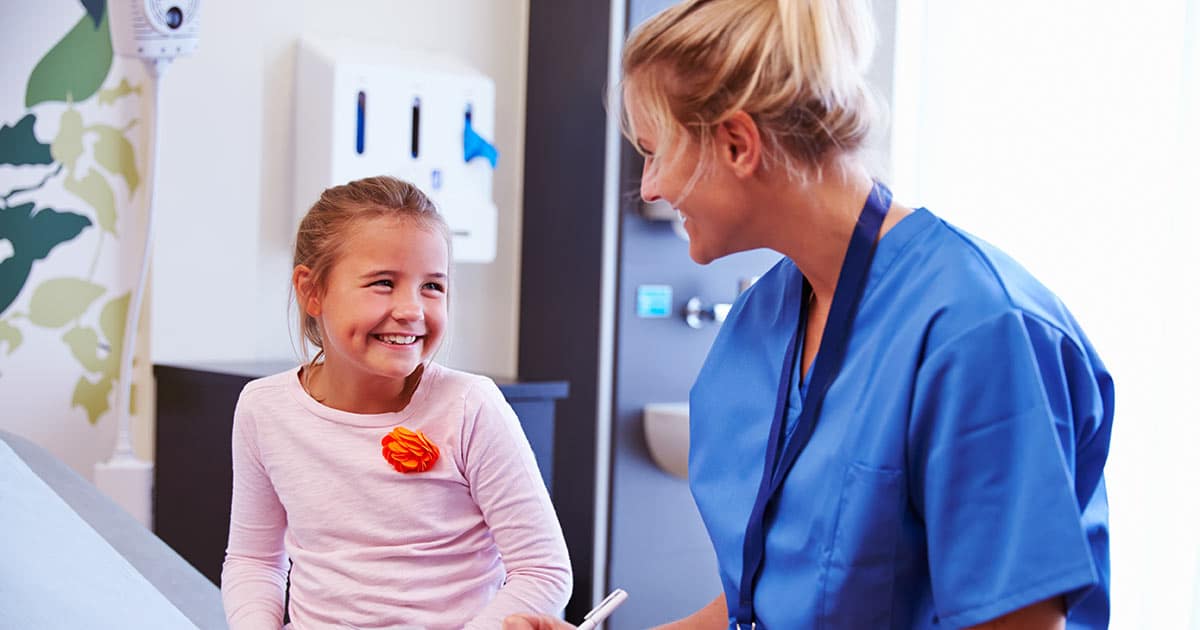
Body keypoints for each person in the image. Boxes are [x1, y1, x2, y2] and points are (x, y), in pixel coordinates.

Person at [506, 0, 1113, 628]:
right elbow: (761, 605)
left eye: (657, 152)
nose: (651, 185)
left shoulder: (977, 330)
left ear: (738, 143)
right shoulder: (758, 322)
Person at [221, 176, 572, 629]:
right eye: (384, 283)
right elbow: (254, 559)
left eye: (432, 287)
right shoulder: (263, 409)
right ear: (312, 291)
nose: (412, 309)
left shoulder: (469, 406)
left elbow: (542, 570)